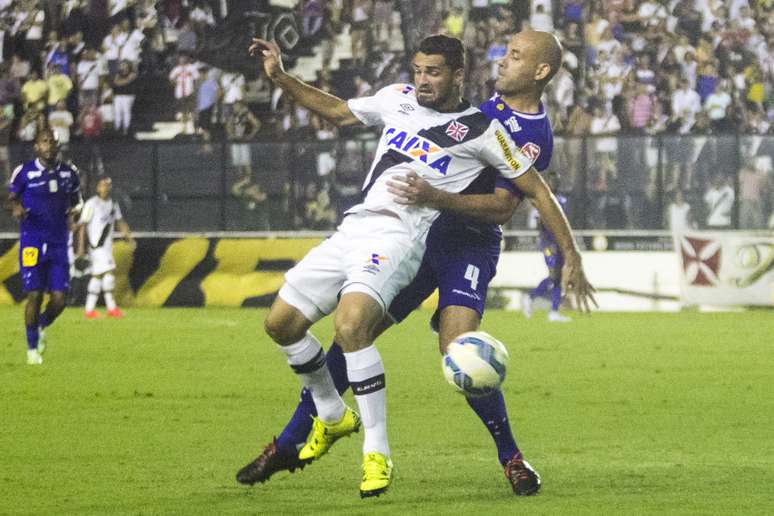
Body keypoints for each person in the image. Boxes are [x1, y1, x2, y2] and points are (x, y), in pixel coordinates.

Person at [237, 33, 594, 497]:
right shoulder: (472, 106)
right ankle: (290, 440)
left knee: (459, 349)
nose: (502, 61)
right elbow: (352, 112)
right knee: (354, 332)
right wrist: (282, 77)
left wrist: (570, 252)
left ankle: (511, 456)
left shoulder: (528, 135)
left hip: (469, 244)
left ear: (541, 73)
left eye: (515, 56)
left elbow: (504, 208)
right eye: (504, 52)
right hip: (419, 235)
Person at [6, 129, 82, 365]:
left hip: (59, 243)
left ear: (58, 146)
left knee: (60, 300)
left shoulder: (69, 173)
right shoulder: (24, 172)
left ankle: (40, 325)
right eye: (44, 141)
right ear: (36, 146)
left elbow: (75, 203)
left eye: (53, 142)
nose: (49, 145)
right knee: (35, 294)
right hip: (32, 242)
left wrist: (73, 215)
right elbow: (12, 199)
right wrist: (16, 209)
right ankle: (31, 350)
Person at [77, 177, 134, 319]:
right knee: (108, 273)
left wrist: (127, 236)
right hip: (97, 246)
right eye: (102, 185)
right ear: (97, 188)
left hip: (106, 247)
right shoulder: (91, 204)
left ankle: (90, 310)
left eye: (108, 185)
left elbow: (119, 221)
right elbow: (83, 226)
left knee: (98, 276)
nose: (105, 188)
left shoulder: (112, 204)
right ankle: (111, 308)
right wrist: (81, 247)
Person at [523, 171, 572, 322]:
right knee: (553, 275)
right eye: (552, 181)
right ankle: (531, 298)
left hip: (560, 243)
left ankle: (554, 312)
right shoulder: (543, 200)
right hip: (549, 243)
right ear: (547, 183)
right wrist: (547, 240)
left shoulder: (562, 200)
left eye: (557, 180)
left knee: (558, 277)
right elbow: (540, 223)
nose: (555, 183)